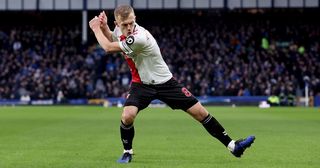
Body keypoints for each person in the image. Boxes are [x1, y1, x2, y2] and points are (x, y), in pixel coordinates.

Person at [89, 5, 255, 163]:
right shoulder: (120, 30)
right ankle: (127, 152)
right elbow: (113, 38)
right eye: (125, 24)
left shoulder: (139, 37)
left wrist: (96, 28)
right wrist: (104, 27)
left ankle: (233, 146)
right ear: (117, 24)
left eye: (132, 22)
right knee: (127, 116)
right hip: (141, 84)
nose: (130, 27)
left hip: (165, 82)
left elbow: (109, 48)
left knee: (200, 113)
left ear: (135, 18)